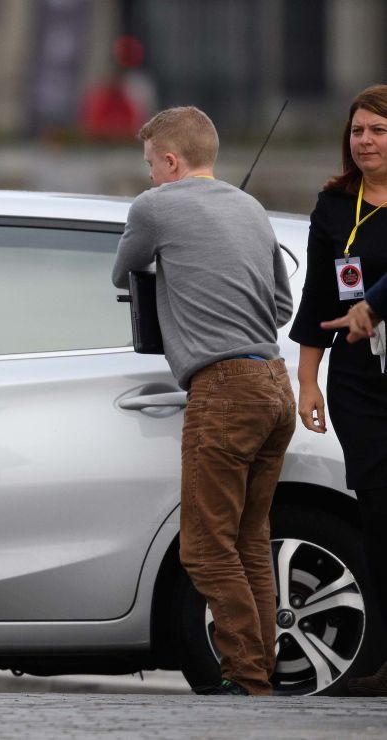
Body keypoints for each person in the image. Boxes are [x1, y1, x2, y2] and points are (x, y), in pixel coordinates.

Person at [111, 106, 295, 696]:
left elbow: (124, 272)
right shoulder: (252, 208)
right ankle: (261, 673)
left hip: (223, 391)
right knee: (248, 541)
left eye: (150, 167)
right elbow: (282, 308)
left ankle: (246, 678)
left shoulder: (156, 207)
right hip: (274, 383)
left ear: (170, 160)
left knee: (206, 548)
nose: (148, 178)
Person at [292, 83, 387, 697]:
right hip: (358, 382)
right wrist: (306, 380)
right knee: (376, 514)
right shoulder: (333, 206)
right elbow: (319, 302)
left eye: (378, 131)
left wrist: (373, 307)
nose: (366, 141)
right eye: (357, 131)